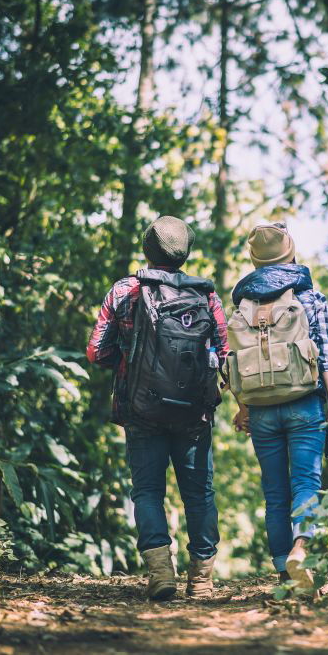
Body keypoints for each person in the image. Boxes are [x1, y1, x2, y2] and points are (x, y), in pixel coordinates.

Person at [86, 216, 228, 601]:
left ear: (147, 248)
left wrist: (131, 363)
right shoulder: (206, 296)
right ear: (185, 253)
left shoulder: (126, 290)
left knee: (147, 491)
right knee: (199, 494)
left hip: (140, 408)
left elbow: (96, 349)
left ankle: (161, 573)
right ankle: (200, 580)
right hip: (194, 413)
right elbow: (225, 352)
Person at [228, 222, 328, 590]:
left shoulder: (243, 303)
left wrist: (243, 407)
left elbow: (229, 359)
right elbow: (326, 356)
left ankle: (283, 571)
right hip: (303, 402)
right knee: (306, 481)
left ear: (255, 259)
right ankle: (301, 548)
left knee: (274, 491)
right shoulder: (310, 299)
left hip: (260, 409)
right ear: (291, 253)